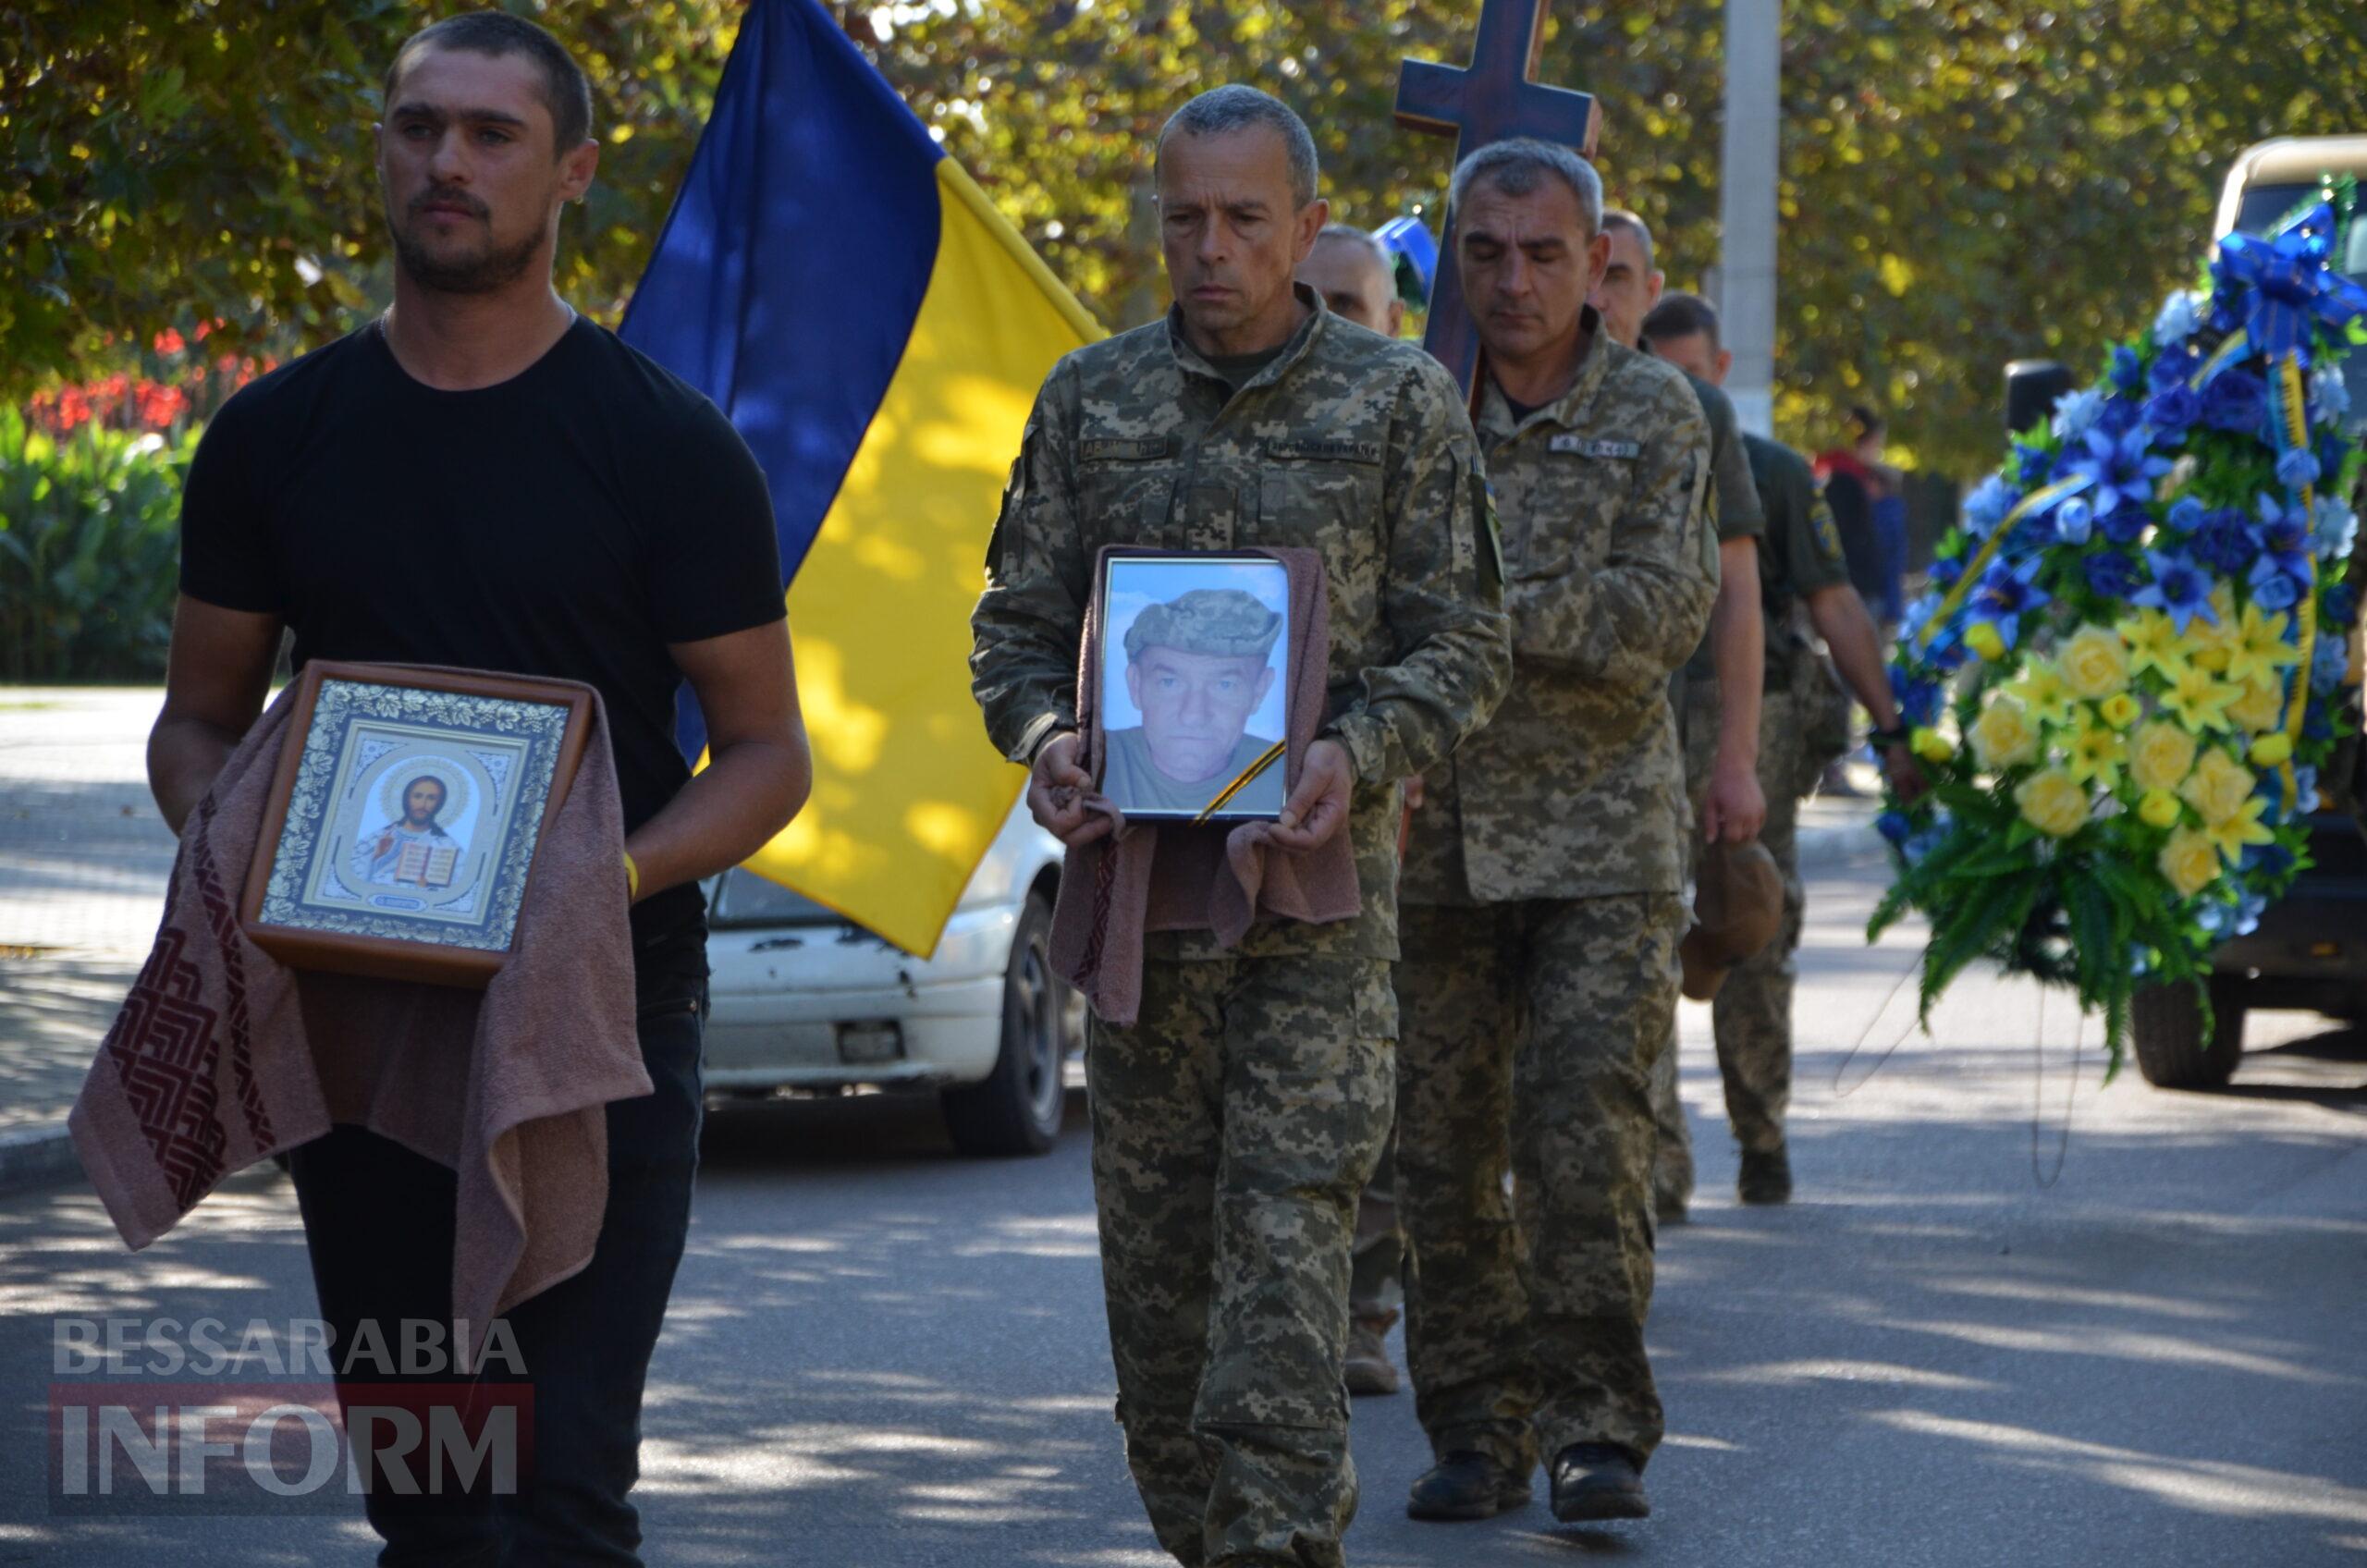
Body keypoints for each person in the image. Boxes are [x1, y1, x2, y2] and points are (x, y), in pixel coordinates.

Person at [146, 14, 810, 1562]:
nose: (446, 162)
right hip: (364, 1035)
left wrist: (604, 878)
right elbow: (196, 722)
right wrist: (248, 845)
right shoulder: (272, 437)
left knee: (564, 1496)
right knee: (432, 1500)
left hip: (604, 1021)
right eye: (417, 125)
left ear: (573, 170)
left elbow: (769, 754)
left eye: (492, 134)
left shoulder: (669, 450)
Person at [970, 85, 1511, 1568]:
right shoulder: (1093, 399)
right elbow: (1013, 630)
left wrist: (1358, 746)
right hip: (1142, 924)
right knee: (1159, 1328)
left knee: (1281, 1282)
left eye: (1244, 219)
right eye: (1185, 218)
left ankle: (1280, 1547)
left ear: (1309, 225)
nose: (1211, 248)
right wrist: (1047, 739)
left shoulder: (1395, 405)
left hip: (1311, 930)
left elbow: (1465, 642)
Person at [1392, 140, 1715, 1528]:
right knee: (1441, 1153)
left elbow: (1656, 622)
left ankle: (1598, 1431)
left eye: (1542, 253)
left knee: (1584, 1137)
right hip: (1435, 845)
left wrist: (1474, 620)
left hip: (1600, 853)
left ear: (1597, 262)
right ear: (1454, 261)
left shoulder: (1657, 412)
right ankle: (1474, 1427)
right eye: (1485, 252)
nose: (1513, 280)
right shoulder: (1408, 408)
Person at [1639, 292, 1927, 1209]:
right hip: (1637, 726)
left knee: (1752, 930)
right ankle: (1654, 1163)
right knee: (1629, 942)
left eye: (1693, 375)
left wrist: (1889, 728)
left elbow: (1834, 604)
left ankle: (1759, 1131)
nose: (1680, 394)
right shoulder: (1619, 460)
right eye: (1662, 374)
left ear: (1720, 373)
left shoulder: (1770, 474)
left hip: (1746, 729)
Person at [1293, 221, 1410, 1398]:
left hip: (1459, 832)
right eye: (1308, 297)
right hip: (1320, 837)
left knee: (1423, 1085)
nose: (1328, 321)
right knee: (1347, 1091)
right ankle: (1353, 1308)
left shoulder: (1420, 433)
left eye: (1353, 304)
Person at [1594, 210, 1768, 851]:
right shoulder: (1472, 385)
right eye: (1585, 268)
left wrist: (1737, 762)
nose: (1597, 296)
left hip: (1632, 772)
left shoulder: (1690, 408)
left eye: (1617, 275)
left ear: (1651, 289)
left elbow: (1738, 594)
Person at [1103, 587, 1286, 815]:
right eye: (1169, 682)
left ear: (1259, 691)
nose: (1193, 715)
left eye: (1225, 685)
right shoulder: (1092, 762)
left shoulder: (1291, 778)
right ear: (1135, 685)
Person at [1816, 405, 1903, 628]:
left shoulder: (1850, 479)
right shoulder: (1846, 483)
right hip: (1854, 588)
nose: (1878, 450)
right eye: (1877, 443)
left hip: (1853, 586)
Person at [354, 773, 462, 887]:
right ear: (406, 798)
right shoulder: (378, 837)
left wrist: (427, 888)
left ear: (439, 803)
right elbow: (353, 877)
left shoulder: (447, 845)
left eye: (431, 798)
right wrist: (375, 857)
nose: (422, 804)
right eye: (417, 796)